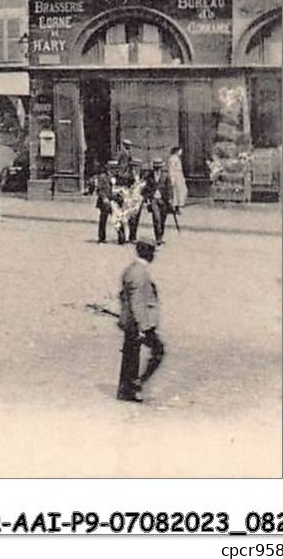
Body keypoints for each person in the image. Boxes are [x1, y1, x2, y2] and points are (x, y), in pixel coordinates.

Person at [117, 235, 163, 402]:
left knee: (130, 354)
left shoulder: (132, 269)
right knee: (157, 351)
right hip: (140, 323)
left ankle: (126, 389)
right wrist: (143, 327)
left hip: (131, 321)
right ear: (148, 253)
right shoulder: (139, 273)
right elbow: (137, 302)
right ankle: (136, 383)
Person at [94, 160, 118, 243]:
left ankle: (121, 237)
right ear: (108, 169)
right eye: (112, 169)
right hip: (105, 202)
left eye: (115, 169)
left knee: (117, 218)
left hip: (114, 201)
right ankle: (101, 237)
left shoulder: (117, 178)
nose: (114, 171)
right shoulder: (102, 177)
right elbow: (99, 190)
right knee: (103, 220)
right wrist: (104, 198)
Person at [165, 146, 187, 234]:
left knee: (182, 192)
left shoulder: (176, 158)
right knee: (176, 193)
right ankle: (175, 207)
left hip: (179, 176)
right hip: (176, 177)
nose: (181, 152)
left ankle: (178, 206)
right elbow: (171, 169)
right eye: (180, 151)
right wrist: (172, 178)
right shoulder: (173, 159)